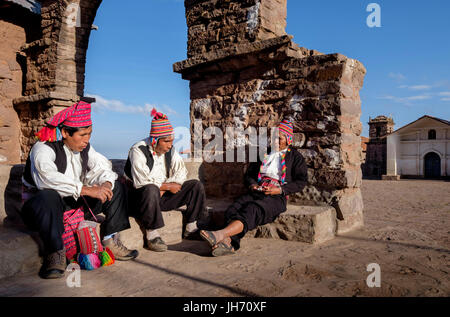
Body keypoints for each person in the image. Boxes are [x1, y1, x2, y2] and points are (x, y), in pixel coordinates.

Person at [20, 101, 138, 279]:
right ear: (66, 132)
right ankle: (55, 252)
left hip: (72, 205)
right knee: (48, 196)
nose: (87, 140)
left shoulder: (85, 148)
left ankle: (110, 239)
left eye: (89, 134)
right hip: (43, 210)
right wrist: (86, 190)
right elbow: (47, 179)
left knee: (116, 186)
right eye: (83, 135)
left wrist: (105, 184)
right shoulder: (43, 148)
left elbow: (102, 166)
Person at [200, 120, 307, 256]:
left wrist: (279, 190)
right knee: (234, 208)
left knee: (253, 210)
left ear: (288, 140)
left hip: (276, 196)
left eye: (279, 138)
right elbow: (249, 175)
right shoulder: (264, 154)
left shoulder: (295, 158)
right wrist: (253, 185)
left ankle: (219, 234)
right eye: (273, 137)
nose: (274, 141)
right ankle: (228, 243)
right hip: (257, 192)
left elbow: (302, 181)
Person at [125, 109, 206, 252]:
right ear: (155, 140)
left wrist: (168, 186)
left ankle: (191, 226)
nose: (170, 145)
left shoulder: (170, 150)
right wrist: (166, 186)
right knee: (150, 189)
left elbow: (181, 171)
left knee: (195, 186)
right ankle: (152, 234)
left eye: (172, 141)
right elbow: (142, 182)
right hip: (142, 200)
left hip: (161, 197)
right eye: (166, 141)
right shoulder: (137, 150)